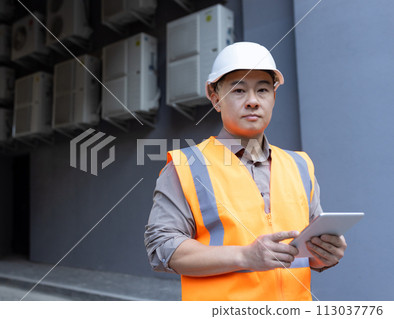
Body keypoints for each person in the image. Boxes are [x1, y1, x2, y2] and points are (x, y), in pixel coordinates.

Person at [144, 42, 347, 301]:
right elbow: (162, 249)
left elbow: (309, 252)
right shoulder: (185, 166)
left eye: (263, 89)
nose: (253, 101)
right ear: (215, 98)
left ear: (274, 97)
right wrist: (245, 256)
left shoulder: (300, 165)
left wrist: (325, 254)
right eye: (239, 90)